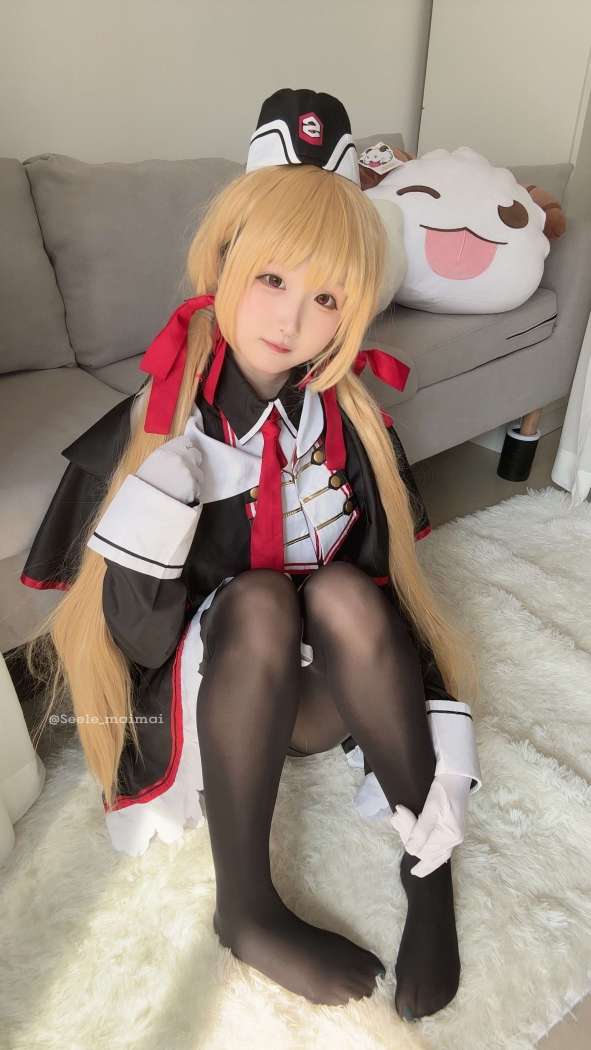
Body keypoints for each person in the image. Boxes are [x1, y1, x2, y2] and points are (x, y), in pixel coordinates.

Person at [20, 88, 482, 1021]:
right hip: (211, 712)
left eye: (326, 298)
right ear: (223, 262)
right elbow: (135, 647)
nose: (291, 320)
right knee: (262, 597)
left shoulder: (349, 428)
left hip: (321, 697)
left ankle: (426, 863)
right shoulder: (155, 430)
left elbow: (390, 600)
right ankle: (246, 907)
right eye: (271, 278)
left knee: (345, 592)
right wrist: (160, 512)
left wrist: (433, 744)